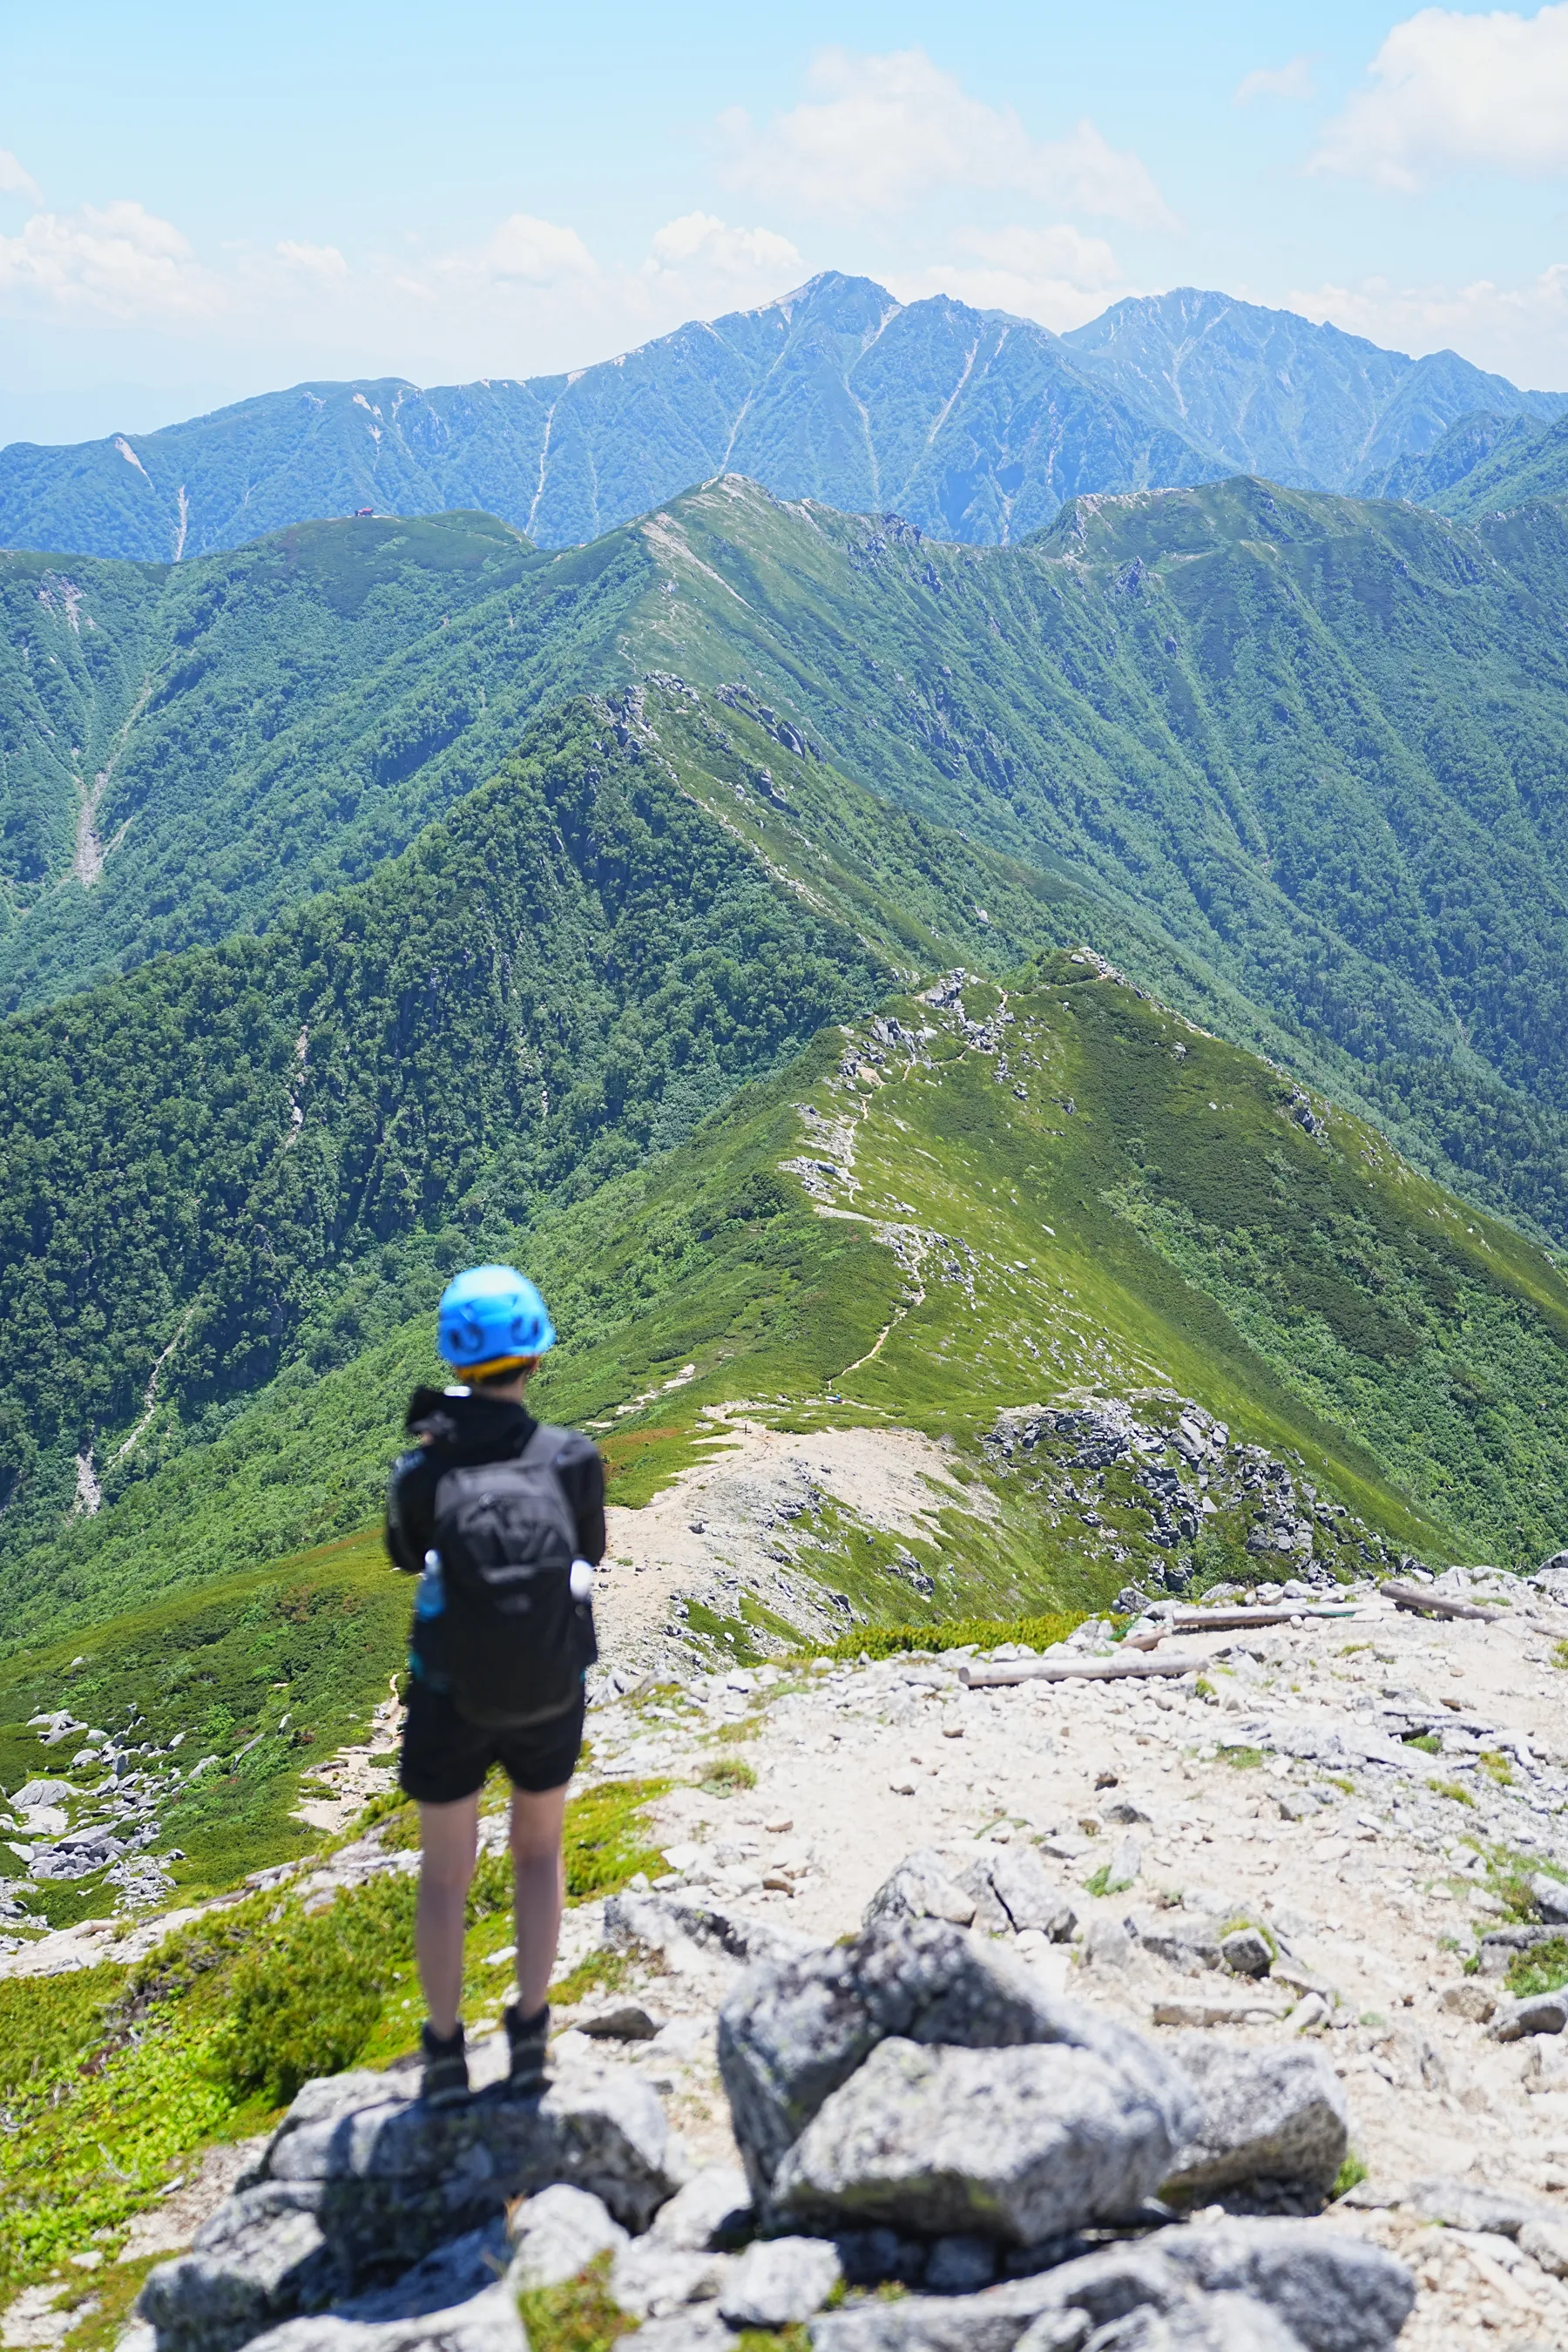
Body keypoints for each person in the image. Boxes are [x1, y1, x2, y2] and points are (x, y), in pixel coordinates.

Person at [386, 1264, 605, 2105]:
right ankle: (531, 2037)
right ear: (536, 1360)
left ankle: (444, 2056)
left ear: (455, 1359)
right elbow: (590, 1554)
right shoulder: (572, 1459)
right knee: (538, 1852)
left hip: (449, 1687)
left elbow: (407, 1555)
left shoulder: (424, 1471)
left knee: (445, 1875)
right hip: (550, 1681)